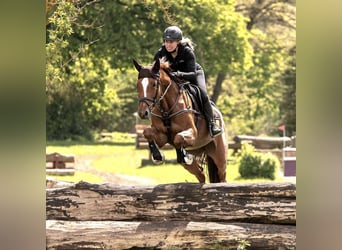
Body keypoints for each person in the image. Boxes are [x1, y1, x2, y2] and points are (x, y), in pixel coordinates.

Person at [153, 25, 222, 137]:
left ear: (178, 42)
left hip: (193, 74)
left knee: (203, 94)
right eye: (166, 41)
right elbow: (155, 70)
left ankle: (212, 124)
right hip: (174, 79)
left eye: (171, 42)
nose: (168, 44)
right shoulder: (161, 53)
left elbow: (192, 74)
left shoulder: (187, 52)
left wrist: (178, 74)